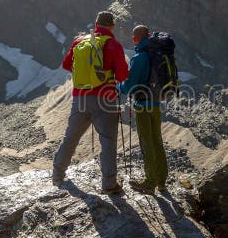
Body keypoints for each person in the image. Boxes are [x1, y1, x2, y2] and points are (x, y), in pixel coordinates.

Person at [52, 11, 129, 193]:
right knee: (108, 141)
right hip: (105, 99)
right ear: (112, 26)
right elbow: (123, 75)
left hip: (80, 97)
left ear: (96, 24)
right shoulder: (113, 45)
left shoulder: (80, 41)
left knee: (71, 137)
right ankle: (109, 184)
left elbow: (65, 65)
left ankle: (57, 174)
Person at [116, 24, 168, 193]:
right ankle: (161, 180)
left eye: (133, 36)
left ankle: (150, 182)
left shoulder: (139, 58)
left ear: (136, 38)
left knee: (146, 142)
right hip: (156, 104)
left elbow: (130, 85)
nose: (132, 39)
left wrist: (119, 87)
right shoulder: (158, 53)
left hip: (142, 105)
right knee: (157, 140)